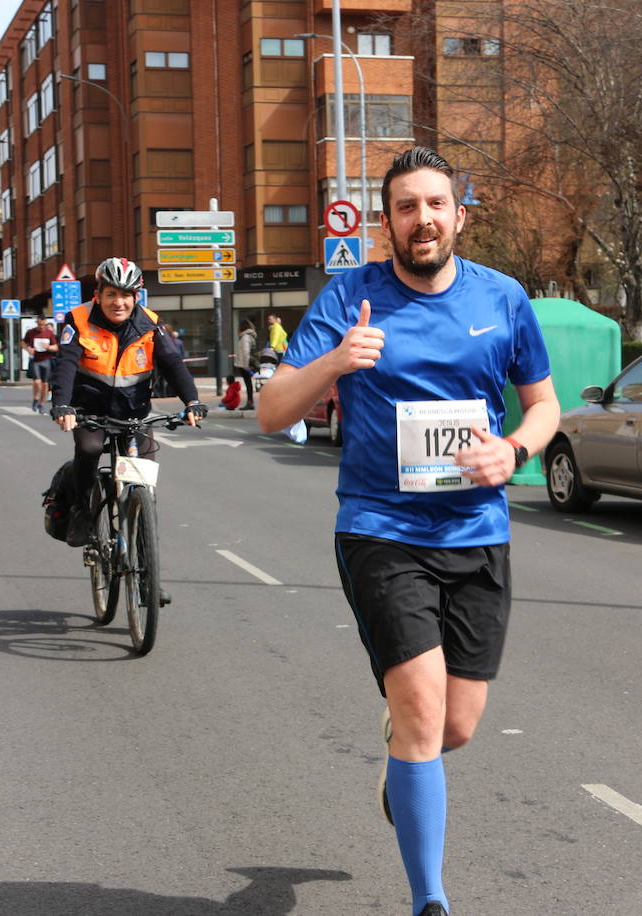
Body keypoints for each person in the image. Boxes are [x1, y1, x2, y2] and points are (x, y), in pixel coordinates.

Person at [256, 147, 560, 916]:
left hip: (478, 531)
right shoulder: (349, 298)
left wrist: (515, 448)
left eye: (434, 204)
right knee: (424, 713)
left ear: (459, 214)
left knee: (455, 726)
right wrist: (335, 361)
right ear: (384, 223)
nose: (421, 219)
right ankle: (431, 899)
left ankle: (405, 763)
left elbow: (546, 406)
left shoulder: (503, 298)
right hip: (381, 529)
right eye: (404, 208)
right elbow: (271, 411)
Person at [50, 257, 207, 548]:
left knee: (145, 485)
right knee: (90, 448)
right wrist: (62, 404)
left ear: (136, 296)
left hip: (134, 414)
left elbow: (173, 363)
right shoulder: (78, 319)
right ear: (98, 295)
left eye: (126, 295)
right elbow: (66, 364)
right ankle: (83, 509)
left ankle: (147, 563)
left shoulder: (150, 323)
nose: (118, 302)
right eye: (111, 294)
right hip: (90, 411)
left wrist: (192, 400)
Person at [22, 316, 59, 414]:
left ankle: (41, 404)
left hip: (46, 360)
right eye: (39, 324)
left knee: (45, 384)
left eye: (43, 324)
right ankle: (35, 399)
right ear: (37, 323)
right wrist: (28, 349)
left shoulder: (49, 333)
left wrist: (48, 347)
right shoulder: (31, 332)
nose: (41, 326)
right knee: (37, 382)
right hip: (36, 360)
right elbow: (23, 343)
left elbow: (56, 347)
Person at [233, 319, 257, 411]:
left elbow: (245, 352)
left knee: (248, 384)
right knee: (248, 384)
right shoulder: (249, 336)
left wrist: (245, 366)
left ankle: (250, 402)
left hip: (244, 364)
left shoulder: (245, 337)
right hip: (246, 364)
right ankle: (250, 402)